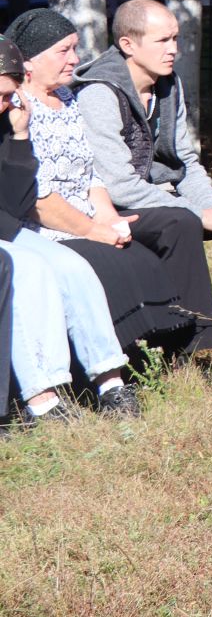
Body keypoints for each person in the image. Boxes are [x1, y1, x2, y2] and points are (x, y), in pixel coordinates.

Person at [74, 0, 212, 344]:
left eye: (175, 39)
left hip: (164, 196)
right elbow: (118, 185)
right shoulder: (100, 92)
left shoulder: (168, 84)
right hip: (119, 207)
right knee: (181, 222)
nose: (173, 49)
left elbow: (185, 160)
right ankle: (194, 341)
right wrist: (196, 213)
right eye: (162, 41)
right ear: (128, 45)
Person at [7, 9, 198, 354]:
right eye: (63, 51)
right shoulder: (18, 108)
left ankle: (162, 352)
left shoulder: (67, 99)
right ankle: (106, 364)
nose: (75, 60)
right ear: (30, 61)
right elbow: (37, 195)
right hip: (45, 227)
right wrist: (94, 231)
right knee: (111, 262)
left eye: (75, 48)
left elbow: (91, 171)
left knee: (141, 258)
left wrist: (108, 216)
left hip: (88, 218)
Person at [0, 38, 142, 423]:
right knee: (30, 272)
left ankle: (110, 380)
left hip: (7, 225)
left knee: (73, 266)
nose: (3, 104)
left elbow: (15, 202)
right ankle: (42, 400)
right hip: (7, 233)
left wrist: (18, 136)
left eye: (8, 96)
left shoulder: (8, 122)